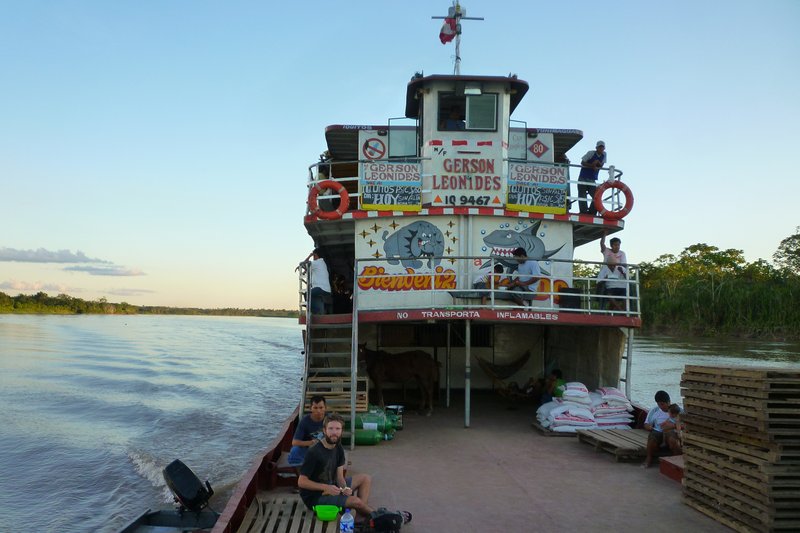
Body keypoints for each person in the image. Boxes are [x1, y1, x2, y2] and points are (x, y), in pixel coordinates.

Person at [298, 413, 412, 525]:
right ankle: (386, 517)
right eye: (331, 428)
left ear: (342, 431)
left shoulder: (338, 448)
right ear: (324, 430)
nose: (334, 432)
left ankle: (360, 517)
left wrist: (345, 488)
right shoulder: (314, 452)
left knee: (365, 478)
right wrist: (326, 487)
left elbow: (339, 477)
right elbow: (301, 482)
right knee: (356, 501)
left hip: (333, 486)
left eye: (337, 429)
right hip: (315, 497)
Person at [642, 391, 682, 468]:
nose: (661, 406)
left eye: (663, 404)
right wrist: (649, 427)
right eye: (659, 404)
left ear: (669, 402)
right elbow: (646, 424)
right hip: (658, 431)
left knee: (673, 440)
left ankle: (676, 460)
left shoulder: (678, 410)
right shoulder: (654, 410)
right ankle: (648, 458)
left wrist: (673, 426)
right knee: (652, 438)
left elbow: (685, 425)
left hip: (672, 432)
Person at [286, 395, 327, 468]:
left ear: (325, 408)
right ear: (310, 408)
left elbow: (336, 439)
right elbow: (295, 442)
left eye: (321, 408)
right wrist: (312, 442)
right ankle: (301, 470)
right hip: (307, 448)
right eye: (315, 408)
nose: (318, 411)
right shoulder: (305, 421)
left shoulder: (330, 420)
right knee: (295, 451)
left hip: (324, 448)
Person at [578, 140, 607, 214]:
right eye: (599, 147)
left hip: (592, 179)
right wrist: (592, 165)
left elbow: (601, 165)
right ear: (596, 148)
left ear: (604, 148)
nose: (601, 149)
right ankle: (583, 212)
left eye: (602, 147)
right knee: (582, 195)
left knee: (596, 196)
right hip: (583, 177)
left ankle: (592, 212)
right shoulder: (591, 153)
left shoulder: (604, 155)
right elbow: (582, 162)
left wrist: (597, 163)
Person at [302, 248, 332, 314]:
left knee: (307, 294)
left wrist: (309, 256)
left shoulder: (317, 262)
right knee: (311, 295)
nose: (313, 257)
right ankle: (315, 309)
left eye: (313, 255)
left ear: (316, 255)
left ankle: (315, 311)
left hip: (321, 288)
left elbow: (303, 264)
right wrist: (305, 270)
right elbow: (309, 268)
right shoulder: (322, 263)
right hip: (325, 289)